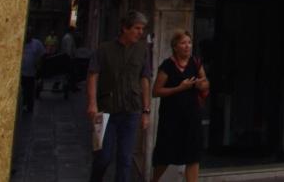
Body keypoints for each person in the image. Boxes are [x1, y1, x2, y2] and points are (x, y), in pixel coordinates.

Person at [87, 12, 153, 182]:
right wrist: (92, 103)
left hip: (131, 110)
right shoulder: (104, 49)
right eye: (137, 28)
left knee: (125, 159)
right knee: (103, 157)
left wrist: (146, 111)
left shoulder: (142, 50)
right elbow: (93, 74)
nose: (140, 32)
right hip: (105, 110)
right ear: (125, 28)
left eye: (142, 29)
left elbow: (145, 79)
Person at [150, 30, 209, 182]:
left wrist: (201, 85)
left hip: (192, 115)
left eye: (189, 42)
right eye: (183, 43)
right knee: (165, 154)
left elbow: (205, 82)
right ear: (175, 47)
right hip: (171, 117)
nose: (187, 46)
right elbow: (156, 91)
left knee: (193, 156)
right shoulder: (167, 66)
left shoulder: (196, 62)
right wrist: (179, 88)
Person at [20, 33, 45, 114]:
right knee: (22, 91)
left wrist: (39, 66)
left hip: (31, 73)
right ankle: (22, 105)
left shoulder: (37, 43)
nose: (28, 36)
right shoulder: (20, 42)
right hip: (21, 73)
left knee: (30, 90)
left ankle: (29, 107)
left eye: (29, 34)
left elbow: (42, 55)